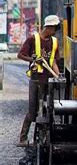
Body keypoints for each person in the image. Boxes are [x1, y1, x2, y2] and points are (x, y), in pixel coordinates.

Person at [17, 15, 61, 147]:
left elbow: (52, 60)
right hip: (36, 79)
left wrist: (57, 75)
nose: (55, 31)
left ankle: (46, 137)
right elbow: (20, 55)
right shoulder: (32, 39)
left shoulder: (54, 41)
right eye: (54, 28)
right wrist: (34, 60)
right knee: (33, 110)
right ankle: (23, 138)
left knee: (49, 109)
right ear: (48, 27)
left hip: (49, 79)